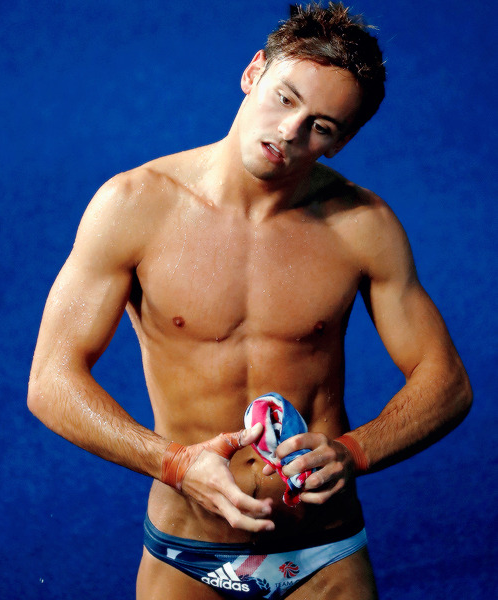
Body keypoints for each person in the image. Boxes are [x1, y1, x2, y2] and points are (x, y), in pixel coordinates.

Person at [28, 3, 472, 599]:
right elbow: (51, 382)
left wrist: (356, 450)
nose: (290, 131)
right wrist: (174, 464)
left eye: (321, 126)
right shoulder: (135, 205)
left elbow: (447, 381)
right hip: (187, 546)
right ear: (252, 72)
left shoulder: (363, 226)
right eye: (284, 98)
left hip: (323, 548)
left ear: (341, 142)